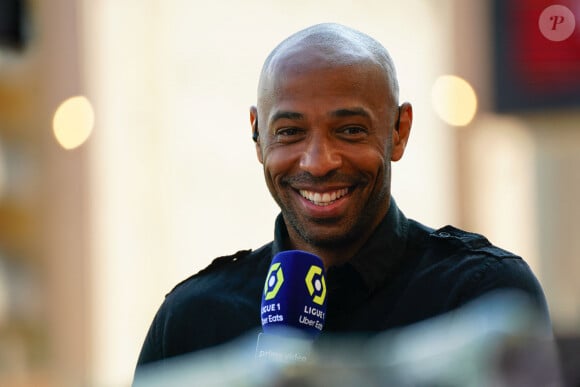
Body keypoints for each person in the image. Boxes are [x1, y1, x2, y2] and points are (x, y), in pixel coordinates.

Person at [135, 23, 551, 370]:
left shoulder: (482, 297)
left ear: (398, 131)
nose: (318, 163)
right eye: (290, 132)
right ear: (257, 134)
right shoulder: (191, 320)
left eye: (350, 130)